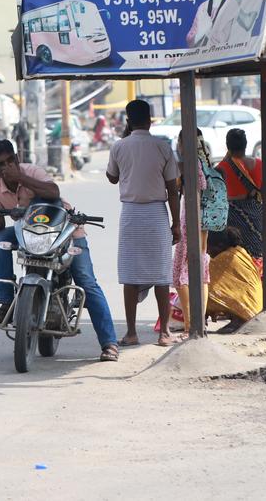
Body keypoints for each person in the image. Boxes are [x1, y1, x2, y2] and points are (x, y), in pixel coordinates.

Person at [0, 140, 120, 362]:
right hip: (28, 234)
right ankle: (4, 301)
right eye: (1, 165)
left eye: (11, 160)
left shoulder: (33, 172)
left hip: (64, 230)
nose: (7, 166)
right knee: (0, 238)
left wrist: (19, 177)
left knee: (86, 282)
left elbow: (53, 191)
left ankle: (109, 343)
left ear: (17, 158)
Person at [107, 99, 181, 347]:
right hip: (156, 214)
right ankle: (164, 333)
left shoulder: (119, 146)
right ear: (150, 119)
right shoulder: (162, 147)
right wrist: (176, 223)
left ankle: (131, 332)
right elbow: (173, 189)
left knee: (130, 275)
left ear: (128, 121)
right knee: (162, 276)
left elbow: (112, 177)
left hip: (130, 215)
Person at [172, 130, 213, 337]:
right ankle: (199, 322)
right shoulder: (205, 160)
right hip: (204, 220)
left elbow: (196, 188)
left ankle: (191, 324)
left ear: (182, 142)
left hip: (192, 219)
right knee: (201, 270)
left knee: (181, 275)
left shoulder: (191, 163)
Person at [216, 128, 266, 267]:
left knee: (237, 260)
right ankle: (258, 286)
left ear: (227, 145)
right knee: (257, 257)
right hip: (257, 217)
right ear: (246, 144)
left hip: (233, 220)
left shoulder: (221, 168)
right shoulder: (259, 164)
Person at [206, 226, 263, 332]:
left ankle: (240, 319)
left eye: (209, 247)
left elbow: (206, 284)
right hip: (255, 307)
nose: (207, 251)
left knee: (201, 290)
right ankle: (238, 318)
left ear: (220, 245)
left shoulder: (224, 258)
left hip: (248, 308)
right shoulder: (240, 252)